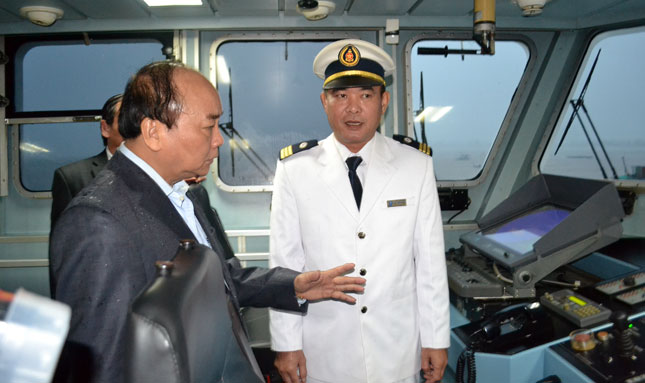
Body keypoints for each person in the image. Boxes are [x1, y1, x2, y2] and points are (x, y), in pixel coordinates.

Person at [49, 61, 366, 383]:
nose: (219, 140)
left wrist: (294, 286)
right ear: (154, 132)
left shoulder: (186, 194)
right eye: (208, 126)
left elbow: (223, 281)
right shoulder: (99, 223)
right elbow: (101, 366)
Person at [269, 39, 450, 383]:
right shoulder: (295, 170)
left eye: (365, 95)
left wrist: (436, 339)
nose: (353, 108)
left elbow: (429, 264)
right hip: (324, 353)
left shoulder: (416, 166)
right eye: (341, 96)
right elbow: (285, 265)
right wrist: (285, 344)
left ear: (384, 101)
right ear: (325, 102)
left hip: (397, 351)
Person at [50, 94, 124, 230]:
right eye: (127, 120)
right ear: (105, 128)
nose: (136, 128)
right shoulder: (72, 178)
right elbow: (63, 242)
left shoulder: (161, 175)